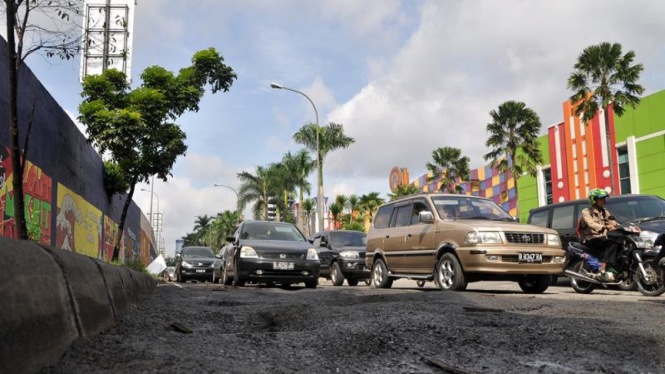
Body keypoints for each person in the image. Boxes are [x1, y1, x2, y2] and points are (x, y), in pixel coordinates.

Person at [581, 188, 618, 280]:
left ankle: (615, 268)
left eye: (604, 199)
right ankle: (603, 269)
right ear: (594, 200)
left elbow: (612, 221)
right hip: (591, 239)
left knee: (620, 242)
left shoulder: (604, 211)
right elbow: (591, 224)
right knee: (612, 243)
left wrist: (627, 227)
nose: (603, 201)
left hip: (602, 238)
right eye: (601, 199)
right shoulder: (586, 211)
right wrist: (604, 227)